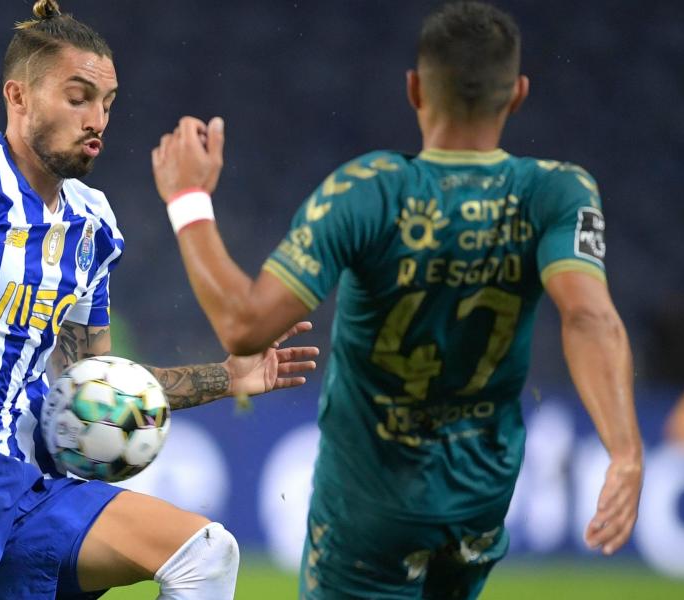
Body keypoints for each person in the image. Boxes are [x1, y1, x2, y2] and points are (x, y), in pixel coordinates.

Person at [151, 2, 643, 598]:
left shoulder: (366, 191)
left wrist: (186, 199)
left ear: (414, 89)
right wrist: (624, 449)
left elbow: (244, 324)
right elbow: (589, 314)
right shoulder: (560, 191)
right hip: (478, 504)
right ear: (516, 94)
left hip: (369, 508)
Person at [0, 2, 317, 599]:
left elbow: (89, 386)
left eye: (107, 104)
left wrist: (228, 377)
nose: (98, 120)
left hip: (24, 480)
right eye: (79, 97)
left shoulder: (94, 225)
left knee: (207, 553)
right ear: (19, 97)